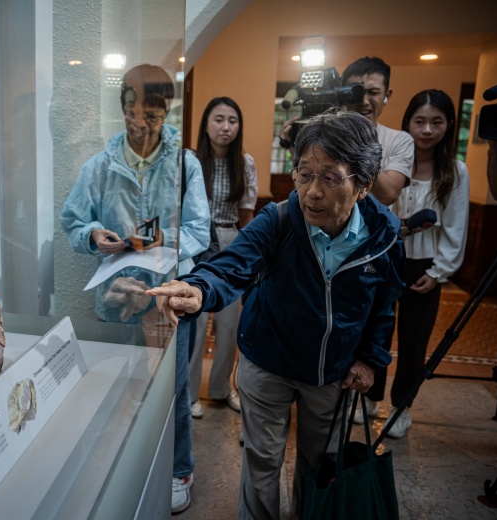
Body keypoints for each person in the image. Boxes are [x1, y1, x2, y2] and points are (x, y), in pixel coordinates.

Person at [147, 108, 405, 519]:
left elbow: (383, 305)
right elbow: (232, 265)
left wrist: (371, 359)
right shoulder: (280, 220)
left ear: (364, 185)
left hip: (332, 372)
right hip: (267, 361)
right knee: (262, 463)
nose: (312, 192)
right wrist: (198, 288)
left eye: (330, 177)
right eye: (304, 174)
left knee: (317, 466)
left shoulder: (385, 237)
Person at [59, 64, 210, 514]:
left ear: (167, 111)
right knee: (120, 380)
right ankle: (119, 459)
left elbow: (200, 229)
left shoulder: (185, 162)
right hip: (117, 294)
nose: (140, 123)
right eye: (131, 112)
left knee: (174, 388)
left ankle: (180, 467)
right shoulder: (100, 165)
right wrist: (94, 236)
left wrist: (167, 252)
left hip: (167, 297)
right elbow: (73, 221)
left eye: (152, 114)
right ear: (120, 108)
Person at [360, 90, 470, 438]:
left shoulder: (455, 171)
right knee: (376, 332)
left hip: (425, 266)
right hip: (385, 258)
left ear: (448, 125)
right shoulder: (394, 157)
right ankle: (371, 396)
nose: (426, 130)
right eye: (419, 121)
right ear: (407, 123)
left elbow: (456, 224)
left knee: (414, 342)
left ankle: (401, 406)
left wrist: (439, 273)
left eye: (436, 122)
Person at [187, 97, 257, 418]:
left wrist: (252, 259)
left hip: (230, 240)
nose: (225, 126)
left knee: (229, 325)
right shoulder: (189, 160)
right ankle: (187, 394)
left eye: (232, 119)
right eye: (218, 119)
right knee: (195, 322)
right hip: (195, 242)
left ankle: (221, 388)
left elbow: (247, 216)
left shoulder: (245, 163)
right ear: (205, 124)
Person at [280, 57, 414, 207]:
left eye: (373, 92)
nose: (363, 101)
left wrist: (349, 140)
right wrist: (296, 147)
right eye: (355, 92)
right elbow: (304, 187)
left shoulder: (400, 140)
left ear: (386, 96)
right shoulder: (321, 134)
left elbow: (388, 195)